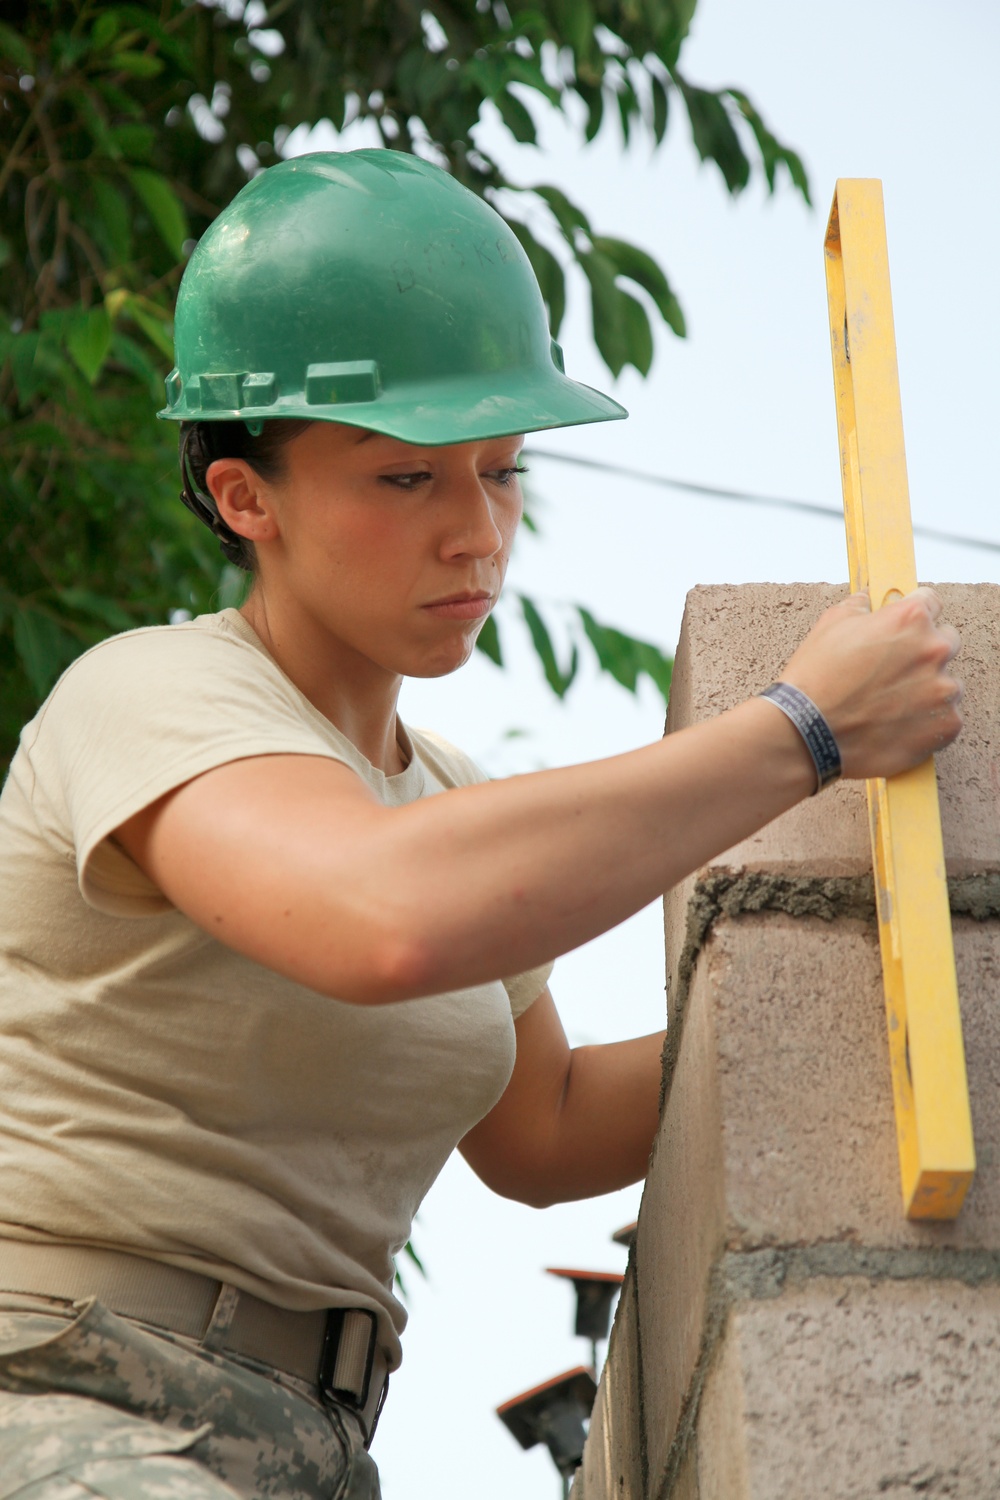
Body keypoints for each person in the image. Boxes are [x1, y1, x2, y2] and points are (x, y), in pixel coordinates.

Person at [0, 149, 961, 1500]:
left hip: (308, 1452)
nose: (477, 535)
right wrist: (800, 731)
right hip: (66, 1396)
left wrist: (871, 987)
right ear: (244, 496)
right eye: (406, 481)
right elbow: (379, 918)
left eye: (501, 472)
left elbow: (549, 1129)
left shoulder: (436, 797)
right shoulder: (152, 697)